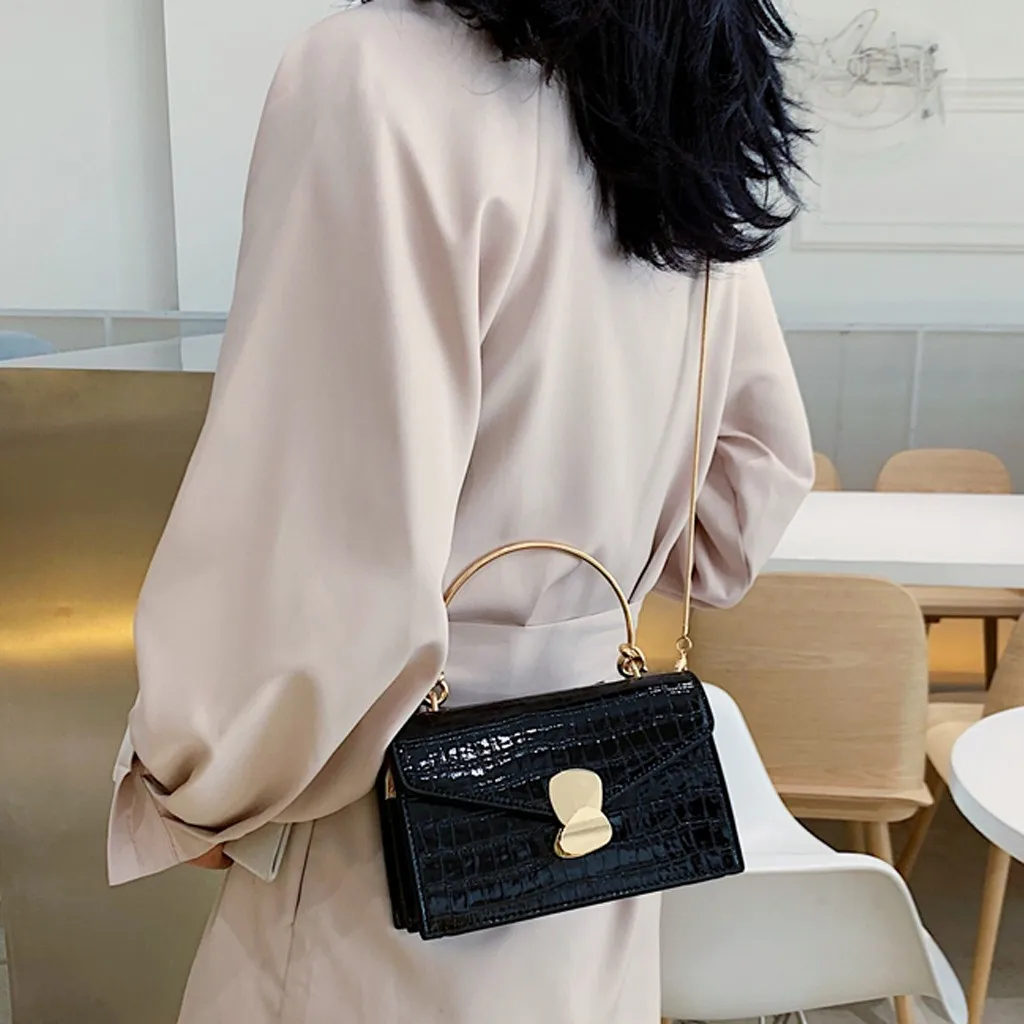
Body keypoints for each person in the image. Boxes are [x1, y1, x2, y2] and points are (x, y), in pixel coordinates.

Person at [107, 0, 815, 1020]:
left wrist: (197, 784)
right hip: (596, 843)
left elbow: (315, 545)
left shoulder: (376, 73)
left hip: (380, 829)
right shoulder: (674, 92)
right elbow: (742, 507)